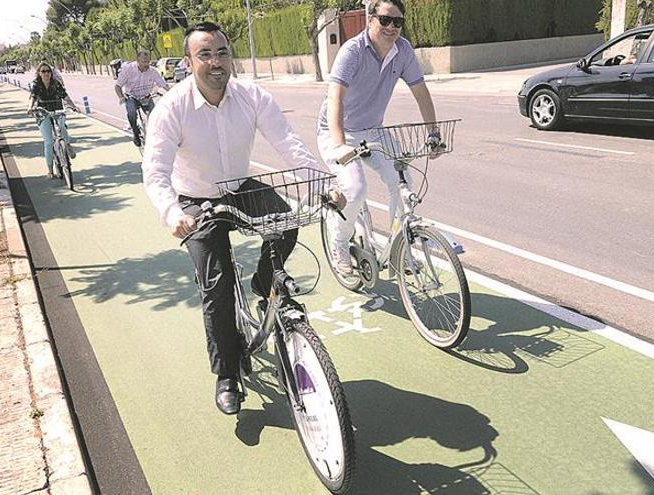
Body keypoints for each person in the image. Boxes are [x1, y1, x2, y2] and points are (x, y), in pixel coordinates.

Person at [142, 22, 344, 415]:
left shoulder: (251, 96)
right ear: (188, 62)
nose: (215, 62)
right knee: (215, 289)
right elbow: (155, 172)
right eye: (205, 55)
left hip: (239, 187)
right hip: (195, 201)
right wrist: (172, 213)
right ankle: (228, 374)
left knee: (286, 221)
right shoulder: (171, 108)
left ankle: (263, 282)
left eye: (221, 53)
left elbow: (288, 143)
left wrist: (321, 182)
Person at [317, 0, 439, 275]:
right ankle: (339, 241)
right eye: (385, 20)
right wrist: (339, 146)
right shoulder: (353, 51)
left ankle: (400, 250)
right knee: (355, 189)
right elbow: (335, 97)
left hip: (373, 130)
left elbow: (420, 90)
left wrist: (433, 132)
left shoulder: (403, 51)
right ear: (370, 19)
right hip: (337, 131)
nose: (391, 27)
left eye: (397, 22)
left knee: (404, 184)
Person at [27, 62, 79, 179]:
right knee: (49, 142)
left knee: (62, 128)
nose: (46, 73)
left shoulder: (56, 83)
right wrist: (30, 107)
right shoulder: (36, 85)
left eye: (48, 71)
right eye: (43, 71)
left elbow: (65, 96)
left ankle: (67, 145)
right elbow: (33, 97)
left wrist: (74, 106)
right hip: (43, 113)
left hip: (57, 110)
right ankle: (50, 170)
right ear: (39, 73)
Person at [115, 50, 170, 147]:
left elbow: (163, 84)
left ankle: (155, 137)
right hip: (132, 97)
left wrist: (171, 93)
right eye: (144, 62)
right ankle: (135, 133)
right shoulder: (128, 69)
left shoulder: (152, 71)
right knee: (131, 113)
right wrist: (121, 97)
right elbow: (118, 86)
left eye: (148, 61)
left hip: (146, 97)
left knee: (155, 116)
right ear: (137, 60)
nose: (146, 64)